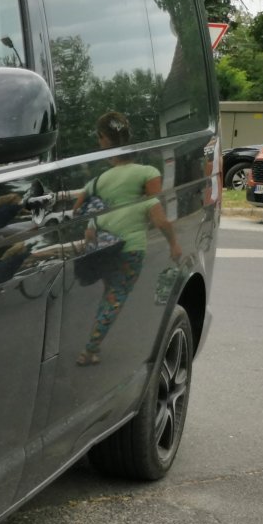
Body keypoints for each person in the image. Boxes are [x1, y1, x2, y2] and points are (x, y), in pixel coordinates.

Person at [70, 111, 184, 365]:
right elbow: (159, 216)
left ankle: (93, 346)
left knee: (109, 293)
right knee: (116, 296)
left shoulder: (97, 181)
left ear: (104, 140)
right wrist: (174, 244)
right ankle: (89, 350)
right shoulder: (147, 173)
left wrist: (96, 224)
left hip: (104, 248)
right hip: (131, 248)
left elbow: (79, 211)